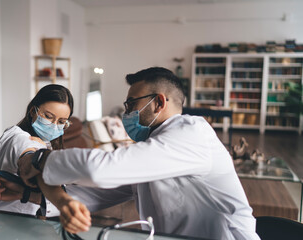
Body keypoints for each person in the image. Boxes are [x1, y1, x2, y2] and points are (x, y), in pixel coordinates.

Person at [17, 67, 261, 240]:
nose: (127, 112)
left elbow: (100, 170)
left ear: (159, 102)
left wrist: (40, 158)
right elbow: (96, 195)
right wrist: (28, 195)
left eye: (131, 104)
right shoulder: (153, 149)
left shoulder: (192, 133)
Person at [0, 84, 91, 231]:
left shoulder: (43, 143)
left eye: (62, 122)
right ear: (33, 111)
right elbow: (30, 159)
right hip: (2, 223)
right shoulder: (19, 138)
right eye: (48, 116)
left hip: (25, 223)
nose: (54, 125)